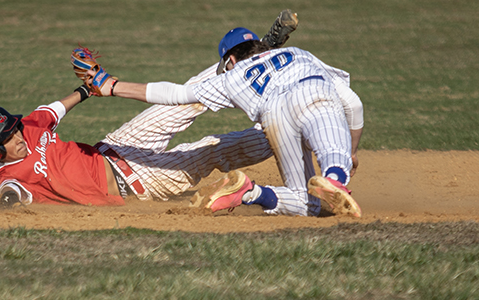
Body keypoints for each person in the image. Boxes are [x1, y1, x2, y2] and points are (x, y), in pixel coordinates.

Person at [82, 14, 364, 217]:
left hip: (124, 161)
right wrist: (349, 152)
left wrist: (111, 86)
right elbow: (352, 103)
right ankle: (335, 176)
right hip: (116, 149)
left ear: (229, 59)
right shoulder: (301, 54)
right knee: (221, 147)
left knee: (195, 106)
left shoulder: (232, 76)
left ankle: (254, 192)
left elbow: (175, 94)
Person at [0, 85, 273, 207]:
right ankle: (280, 131)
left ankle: (250, 58)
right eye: (8, 138)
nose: (18, 137)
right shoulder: (10, 175)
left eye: (15, 129)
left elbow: (51, 110)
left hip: (117, 145)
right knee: (212, 149)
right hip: (142, 183)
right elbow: (10, 192)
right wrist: (3, 202)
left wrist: (86, 90)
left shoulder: (27, 127)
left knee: (183, 100)